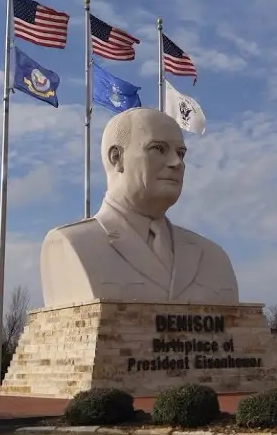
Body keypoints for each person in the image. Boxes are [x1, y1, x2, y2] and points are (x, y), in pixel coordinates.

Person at [39, 107, 239, 307]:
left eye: (181, 153)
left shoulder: (213, 258)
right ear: (116, 158)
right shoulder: (71, 244)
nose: (177, 163)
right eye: (159, 149)